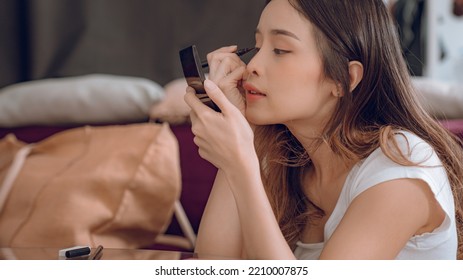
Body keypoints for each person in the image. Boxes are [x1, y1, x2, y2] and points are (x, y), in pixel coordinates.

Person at [184, 0, 463, 259]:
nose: (253, 66)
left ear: (344, 79)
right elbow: (214, 265)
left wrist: (240, 167)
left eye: (280, 49)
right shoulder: (281, 155)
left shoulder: (401, 169)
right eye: (257, 47)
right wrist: (238, 131)